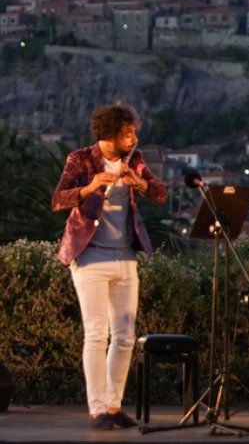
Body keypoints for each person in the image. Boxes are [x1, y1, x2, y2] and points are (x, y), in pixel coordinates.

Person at [51, 102, 168, 430]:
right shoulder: (80, 159)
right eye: (128, 134)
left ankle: (114, 405)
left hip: (125, 257)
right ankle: (98, 409)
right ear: (110, 134)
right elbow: (58, 200)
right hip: (90, 257)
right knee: (96, 334)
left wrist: (138, 182)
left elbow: (160, 195)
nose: (134, 139)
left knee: (125, 336)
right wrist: (90, 187)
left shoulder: (135, 160)